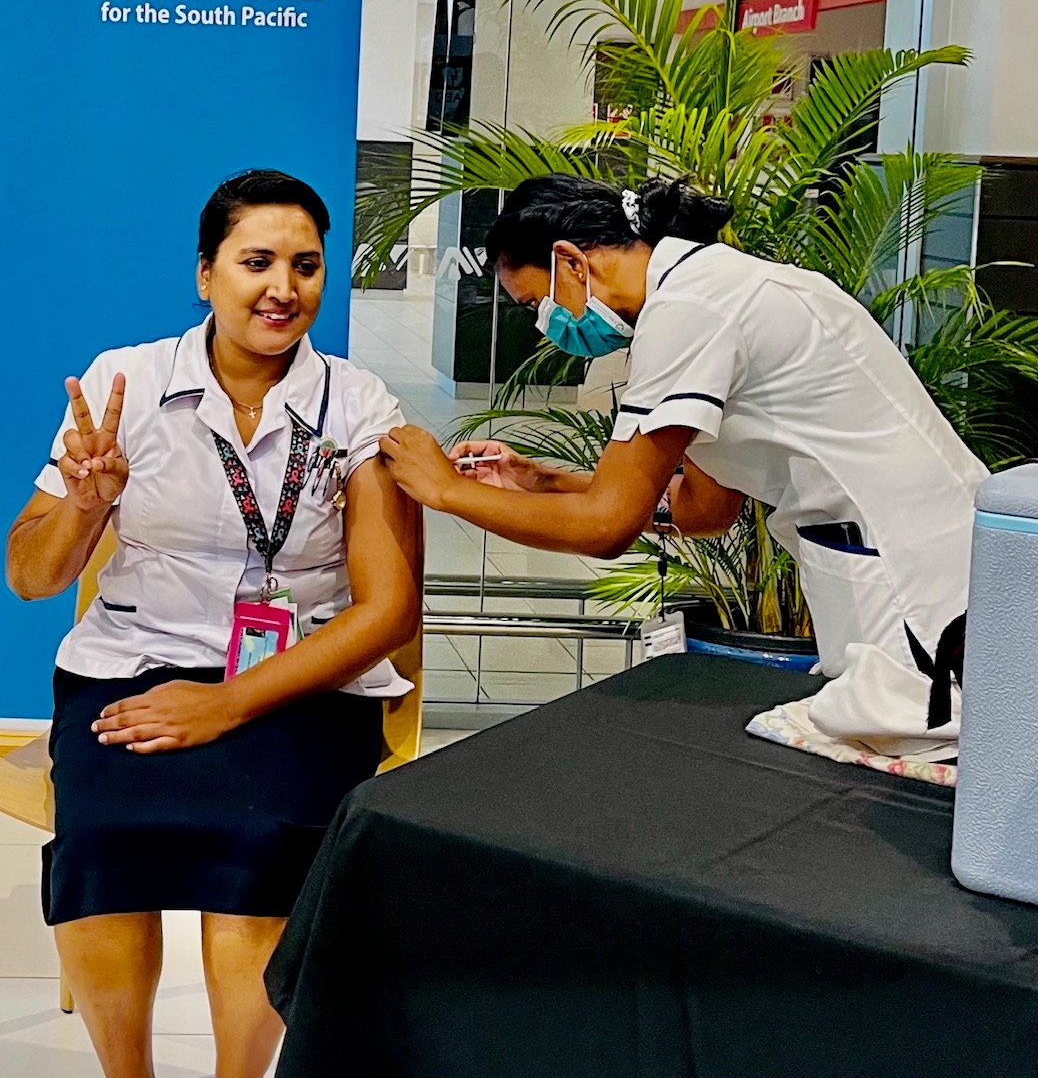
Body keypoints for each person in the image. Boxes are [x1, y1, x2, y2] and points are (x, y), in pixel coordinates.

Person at [4, 169, 422, 1078]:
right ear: (205, 273)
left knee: (259, 845)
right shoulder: (125, 382)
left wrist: (226, 703)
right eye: (256, 262)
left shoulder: (357, 403)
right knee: (101, 846)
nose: (283, 288)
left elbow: (389, 610)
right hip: (134, 663)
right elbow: (30, 577)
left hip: (306, 678)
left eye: (305, 266)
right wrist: (84, 507)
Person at [375, 174, 987, 754]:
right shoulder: (708, 287)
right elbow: (704, 508)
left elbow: (607, 527)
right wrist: (544, 482)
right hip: (903, 560)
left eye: (537, 304)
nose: (546, 326)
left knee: (920, 752)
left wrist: (445, 491)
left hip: (913, 582)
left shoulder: (689, 310)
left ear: (572, 262)